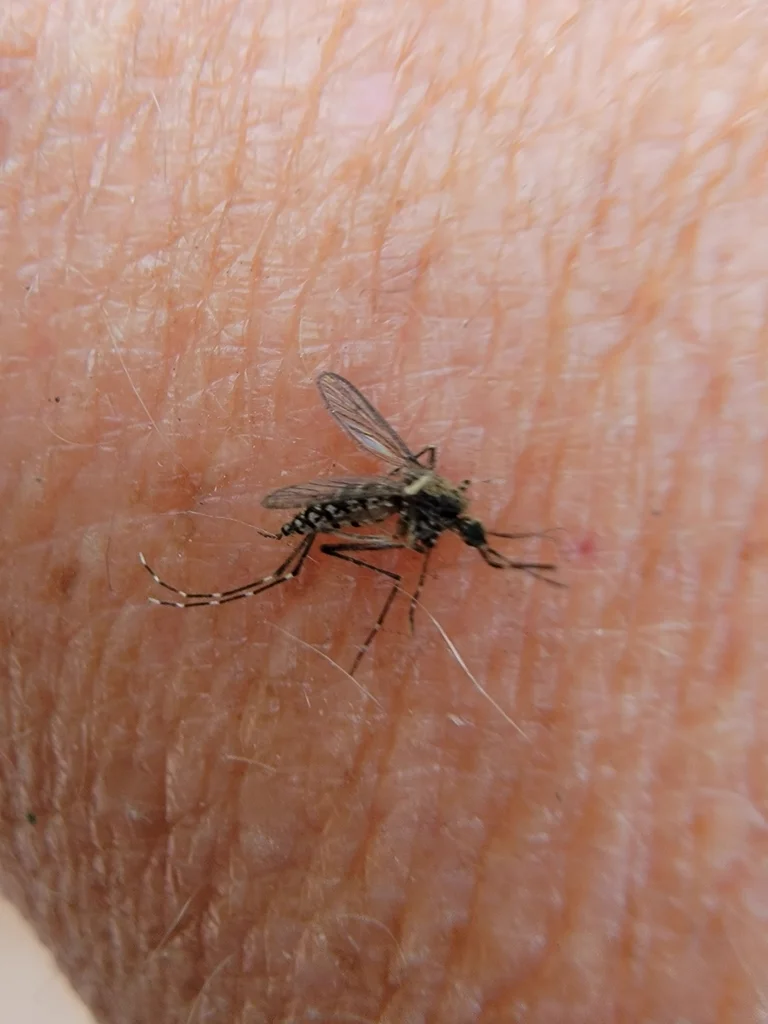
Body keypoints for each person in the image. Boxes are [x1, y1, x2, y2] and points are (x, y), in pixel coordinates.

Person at [2, 2, 765, 1021]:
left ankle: (297, 580)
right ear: (449, 510)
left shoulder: (436, 494)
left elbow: (421, 478)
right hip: (346, 506)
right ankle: (274, 583)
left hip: (382, 488)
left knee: (387, 550)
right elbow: (387, 472)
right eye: (464, 526)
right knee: (349, 559)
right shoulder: (424, 510)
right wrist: (394, 580)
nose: (457, 530)